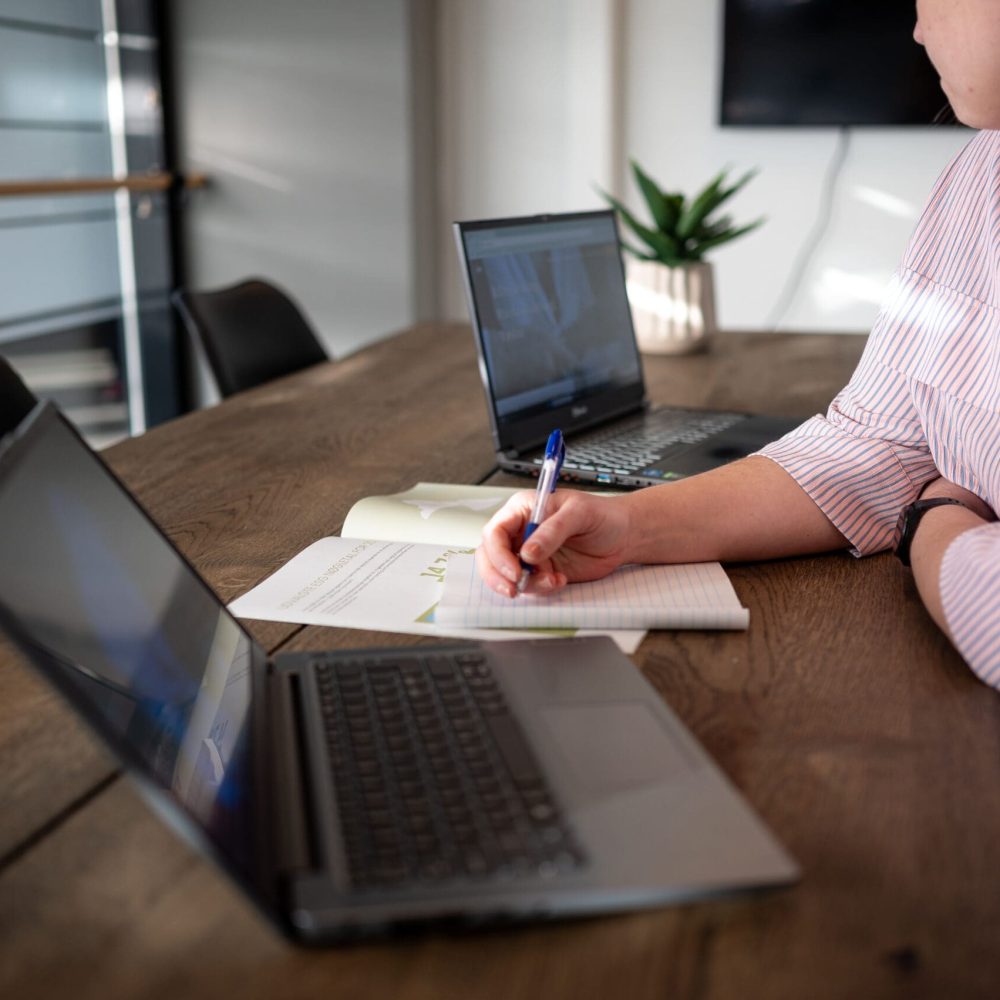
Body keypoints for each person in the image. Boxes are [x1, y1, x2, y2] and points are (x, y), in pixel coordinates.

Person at [475, 0, 1000, 690]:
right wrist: (625, 525)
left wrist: (935, 515)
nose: (918, 27)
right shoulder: (976, 173)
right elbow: (875, 443)